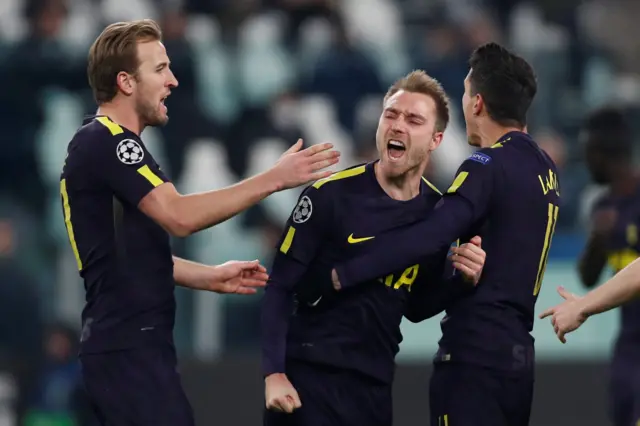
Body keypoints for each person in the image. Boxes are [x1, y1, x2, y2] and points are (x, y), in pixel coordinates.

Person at [60, 19, 339, 426]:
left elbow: (130, 258)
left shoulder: (113, 147)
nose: (172, 80)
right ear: (125, 81)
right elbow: (179, 216)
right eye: (159, 69)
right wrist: (274, 179)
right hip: (128, 351)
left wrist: (208, 276)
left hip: (129, 348)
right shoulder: (108, 141)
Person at [331, 42, 555, 426]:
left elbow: (431, 235)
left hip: (474, 356)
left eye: (466, 94)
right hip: (518, 358)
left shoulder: (486, 164)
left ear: (478, 104)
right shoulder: (545, 170)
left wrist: (348, 273)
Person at [261, 70, 487, 426]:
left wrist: (461, 281)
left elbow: (415, 305)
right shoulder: (330, 196)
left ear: (435, 139)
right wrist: (273, 374)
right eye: (391, 115)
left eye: (413, 120)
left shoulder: (438, 216)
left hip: (375, 388)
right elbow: (279, 287)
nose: (397, 126)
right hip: (309, 379)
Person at [545, 107, 638, 426]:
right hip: (628, 344)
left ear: (603, 152)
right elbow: (587, 276)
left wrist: (584, 307)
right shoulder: (603, 207)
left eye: (589, 152)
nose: (586, 161)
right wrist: (599, 239)